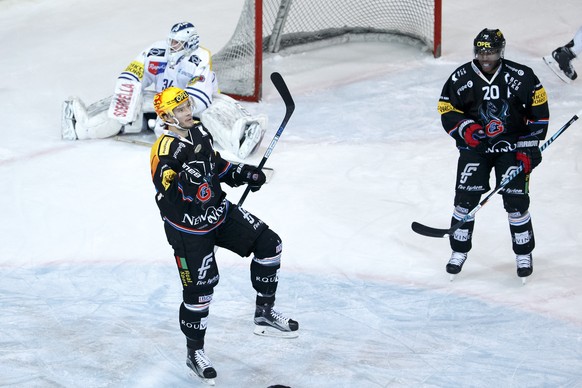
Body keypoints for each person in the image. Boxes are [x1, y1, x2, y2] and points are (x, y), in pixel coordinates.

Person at [149, 86, 298, 383]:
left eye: (188, 106)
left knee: (270, 244)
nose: (188, 112)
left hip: (219, 213)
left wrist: (244, 174)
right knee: (200, 293)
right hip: (189, 230)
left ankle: (264, 313)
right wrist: (184, 182)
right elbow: (167, 188)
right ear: (166, 116)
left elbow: (216, 166)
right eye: (180, 110)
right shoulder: (163, 151)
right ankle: (195, 353)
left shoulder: (199, 133)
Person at [437, 28, 549, 281]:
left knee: (516, 202)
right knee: (465, 200)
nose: (486, 58)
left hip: (511, 148)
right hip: (475, 148)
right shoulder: (461, 77)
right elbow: (446, 108)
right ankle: (459, 251)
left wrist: (529, 147)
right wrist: (468, 130)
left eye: (492, 52)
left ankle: (523, 253)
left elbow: (539, 112)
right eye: (482, 52)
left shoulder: (521, 76)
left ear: (501, 51)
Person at [61, 21, 267, 159]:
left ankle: (241, 138)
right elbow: (135, 70)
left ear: (189, 43)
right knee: (124, 103)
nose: (171, 45)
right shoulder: (157, 50)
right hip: (162, 101)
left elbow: (200, 91)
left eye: (176, 42)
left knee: (215, 114)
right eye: (171, 40)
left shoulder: (200, 56)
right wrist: (128, 93)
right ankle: (83, 127)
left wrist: (176, 114)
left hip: (195, 106)